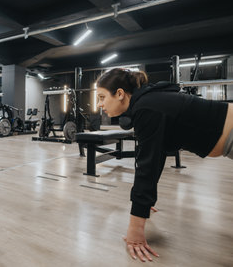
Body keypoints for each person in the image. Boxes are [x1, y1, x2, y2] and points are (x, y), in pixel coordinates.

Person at [96, 68, 233, 262]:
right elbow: (155, 158)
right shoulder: (147, 103)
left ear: (119, 94)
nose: (100, 104)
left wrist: (135, 231)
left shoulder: (146, 108)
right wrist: (144, 204)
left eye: (102, 97)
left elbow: (147, 168)